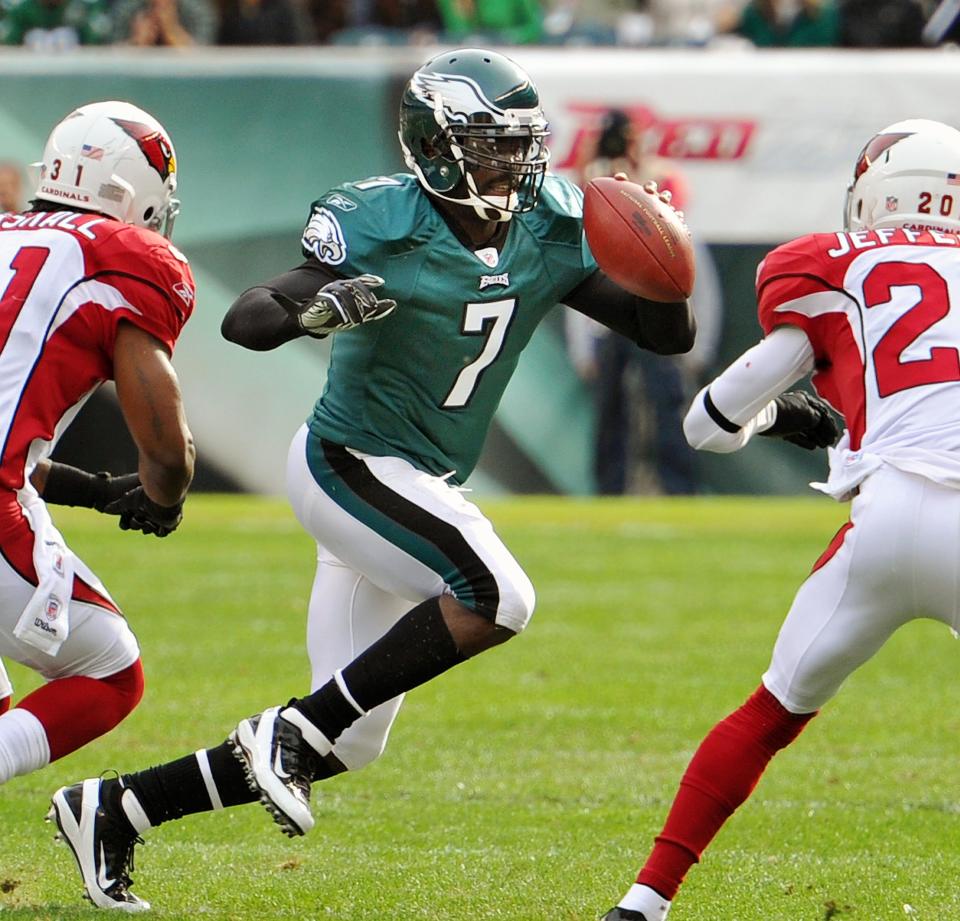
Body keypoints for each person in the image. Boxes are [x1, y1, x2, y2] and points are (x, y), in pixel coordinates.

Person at [48, 48, 695, 912]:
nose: (516, 164)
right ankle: (288, 733)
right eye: (493, 145)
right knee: (499, 592)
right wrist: (317, 306)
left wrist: (666, 260)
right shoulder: (383, 218)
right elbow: (248, 319)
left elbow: (664, 335)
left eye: (520, 144)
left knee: (349, 742)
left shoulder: (549, 219)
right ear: (437, 146)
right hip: (347, 464)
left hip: (412, 483)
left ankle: (118, 807)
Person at [602, 118, 960, 920]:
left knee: (769, 714)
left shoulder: (836, 266)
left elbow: (704, 424)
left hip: (887, 520)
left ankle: (643, 901)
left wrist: (771, 418)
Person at [0, 97, 195, 881]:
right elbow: (168, 448)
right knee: (110, 669)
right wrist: (162, 492)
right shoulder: (120, 257)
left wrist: (96, 489)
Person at [566, 109, 707, 495]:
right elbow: (578, 252)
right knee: (611, 408)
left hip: (654, 301)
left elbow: (674, 230)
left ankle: (679, 487)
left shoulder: (660, 175)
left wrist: (638, 176)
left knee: (667, 402)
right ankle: (610, 488)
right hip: (608, 310)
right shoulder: (590, 183)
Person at [0, 0, 113, 48]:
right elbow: (7, 45)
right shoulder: (18, 7)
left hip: (79, 79)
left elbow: (100, 45)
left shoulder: (85, 6)